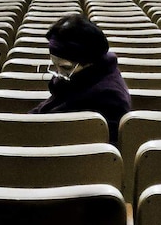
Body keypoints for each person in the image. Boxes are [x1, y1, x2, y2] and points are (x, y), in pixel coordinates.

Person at [30, 13, 131, 144]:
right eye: (55, 66)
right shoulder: (86, 75)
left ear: (89, 62)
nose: (59, 74)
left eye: (65, 68)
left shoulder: (109, 98)